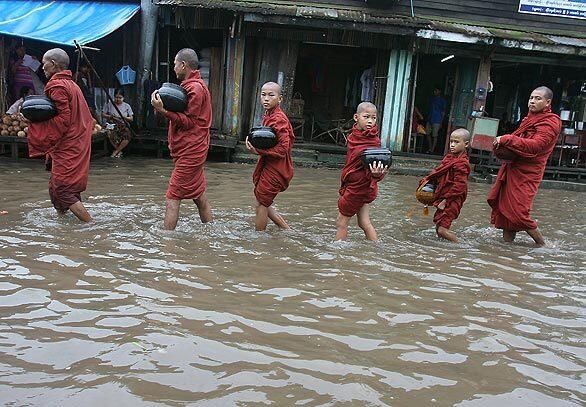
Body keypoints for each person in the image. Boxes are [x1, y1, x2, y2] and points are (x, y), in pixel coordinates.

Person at [21, 48, 94, 222]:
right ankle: (64, 224)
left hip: (69, 144)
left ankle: (91, 225)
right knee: (56, 189)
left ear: (53, 64)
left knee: (63, 189)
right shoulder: (71, 84)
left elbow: (63, 119)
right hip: (75, 141)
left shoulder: (57, 85)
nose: (42, 67)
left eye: (44, 62)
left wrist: (35, 125)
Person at [487, 86, 561, 246]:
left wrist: (507, 139)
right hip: (514, 168)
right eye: (531, 98)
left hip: (529, 172)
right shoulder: (528, 120)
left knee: (519, 212)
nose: (532, 101)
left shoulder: (550, 122)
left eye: (538, 98)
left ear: (548, 102)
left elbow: (535, 146)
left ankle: (544, 245)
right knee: (506, 213)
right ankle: (507, 248)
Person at [150, 48, 213, 230]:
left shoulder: (195, 88)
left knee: (172, 196)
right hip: (191, 148)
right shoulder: (191, 85)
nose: (174, 68)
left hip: (191, 150)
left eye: (175, 64)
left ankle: (167, 245)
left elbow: (189, 122)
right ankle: (211, 233)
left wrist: (163, 110)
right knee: (199, 196)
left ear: (183, 65)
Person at [335, 102, 389, 241]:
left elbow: (379, 166)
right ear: (356, 117)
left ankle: (337, 253)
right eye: (366, 117)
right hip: (359, 185)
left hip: (358, 187)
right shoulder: (355, 135)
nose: (371, 121)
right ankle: (377, 248)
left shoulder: (373, 141)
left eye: (374, 118)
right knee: (364, 222)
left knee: (341, 222)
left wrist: (377, 174)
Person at [245, 82, 294, 232]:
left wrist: (258, 151)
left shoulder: (279, 118)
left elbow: (283, 148)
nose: (266, 99)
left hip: (277, 168)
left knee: (261, 204)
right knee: (263, 202)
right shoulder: (269, 115)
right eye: (263, 95)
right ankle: (288, 231)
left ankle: (259, 240)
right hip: (269, 165)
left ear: (280, 99)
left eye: (271, 95)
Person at [419, 128, 471, 243]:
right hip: (444, 196)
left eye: (456, 142)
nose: (452, 145)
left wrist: (445, 201)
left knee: (442, 230)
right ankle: (442, 249)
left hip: (452, 199)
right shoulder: (449, 158)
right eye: (451, 141)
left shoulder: (462, 163)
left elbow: (460, 186)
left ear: (466, 144)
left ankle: (462, 246)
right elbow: (438, 172)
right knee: (439, 227)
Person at [102, 89, 134, 158]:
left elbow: (131, 119)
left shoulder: (126, 106)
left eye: (120, 98)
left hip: (123, 124)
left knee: (127, 134)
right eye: (116, 97)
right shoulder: (110, 104)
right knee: (109, 132)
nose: (118, 99)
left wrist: (122, 117)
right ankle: (119, 151)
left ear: (123, 98)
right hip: (112, 124)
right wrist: (110, 116)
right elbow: (103, 114)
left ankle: (116, 151)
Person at [426, 86, 447, 154]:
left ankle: (432, 150)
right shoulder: (432, 99)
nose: (434, 92)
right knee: (427, 133)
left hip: (437, 120)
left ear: (439, 91)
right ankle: (430, 148)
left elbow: (443, 112)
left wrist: (441, 122)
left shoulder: (442, 101)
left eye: (436, 91)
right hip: (430, 119)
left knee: (435, 135)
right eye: (434, 91)